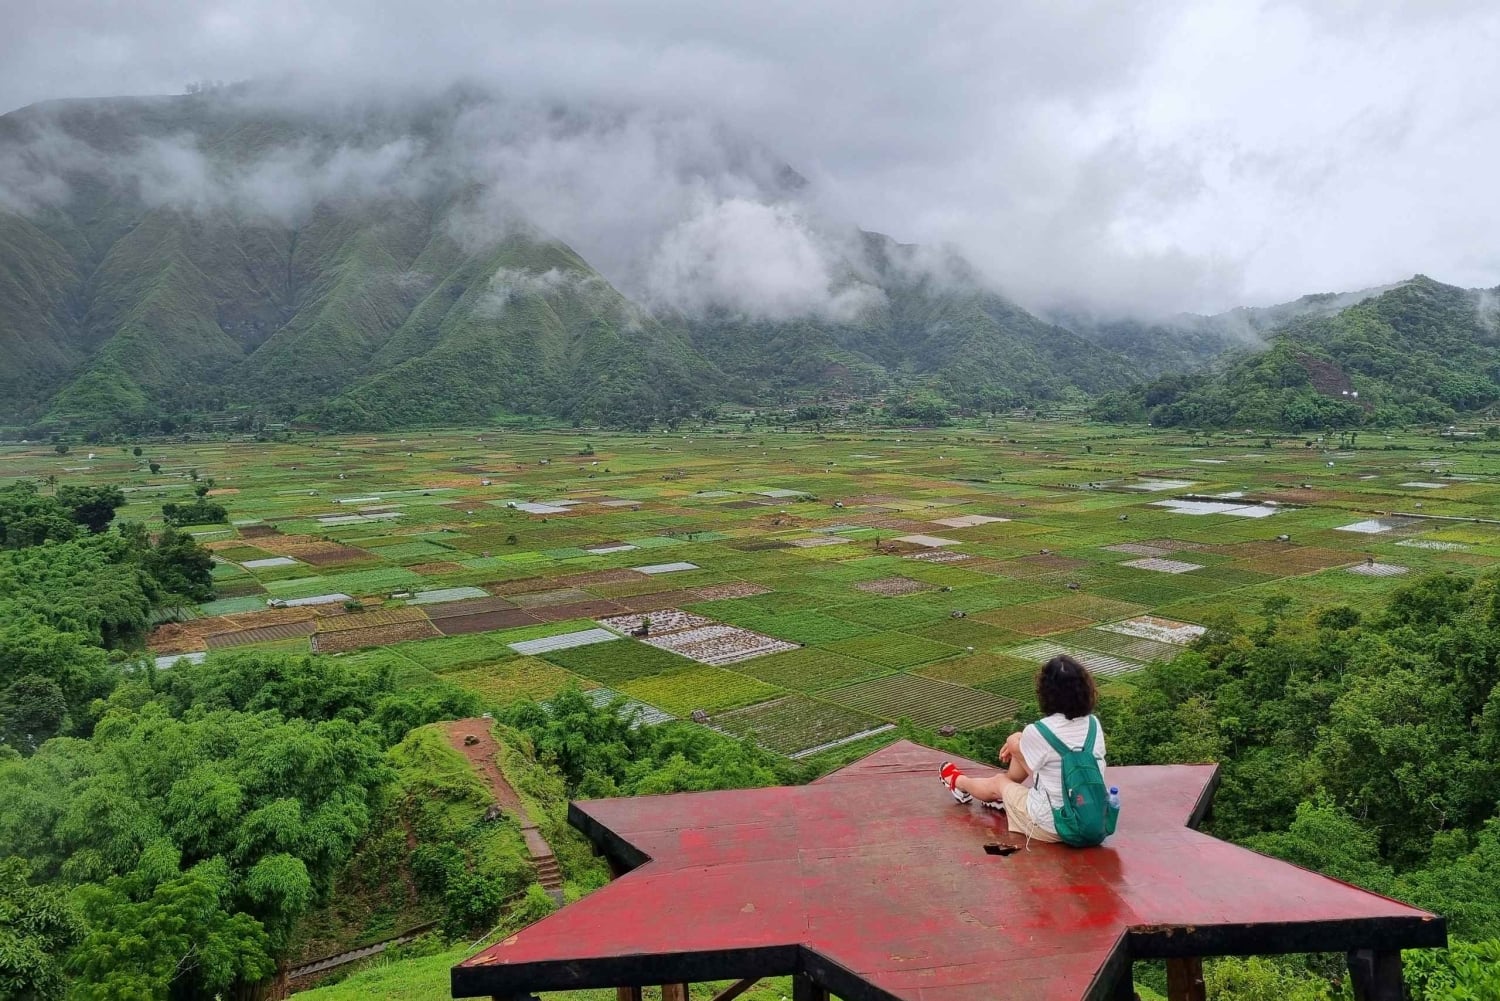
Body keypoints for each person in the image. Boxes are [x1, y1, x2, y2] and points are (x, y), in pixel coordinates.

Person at [938, 654, 1106, 844]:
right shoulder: (1094, 725)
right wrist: (1018, 742)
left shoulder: (1040, 731)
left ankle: (958, 783)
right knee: (1021, 744)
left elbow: (1024, 753)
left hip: (1054, 825)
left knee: (999, 780)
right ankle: (1003, 796)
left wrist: (1012, 741)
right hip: (1091, 819)